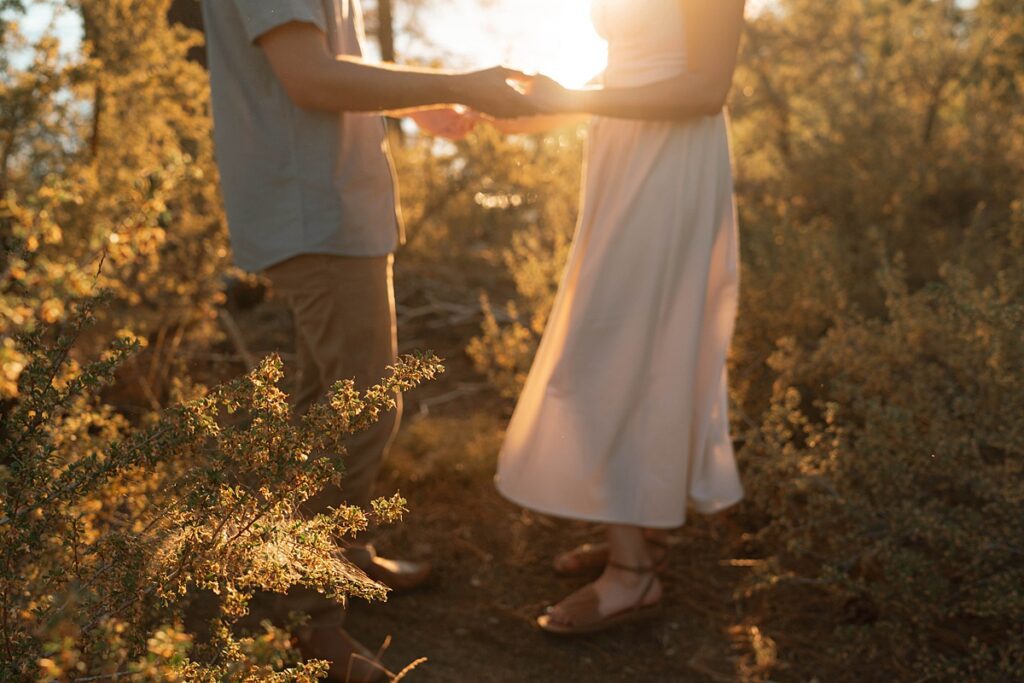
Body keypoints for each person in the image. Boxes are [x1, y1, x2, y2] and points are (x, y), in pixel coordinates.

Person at [200, 1, 534, 679]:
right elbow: (311, 80)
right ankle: (307, 622)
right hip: (313, 211)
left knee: (324, 405)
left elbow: (325, 69)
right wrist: (458, 83)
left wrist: (414, 109)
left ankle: (334, 555)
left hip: (330, 207)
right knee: (363, 410)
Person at [491, 0, 747, 635]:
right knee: (631, 341)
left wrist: (571, 99)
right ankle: (636, 532)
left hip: (670, 161)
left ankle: (633, 578)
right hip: (625, 153)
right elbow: (633, 71)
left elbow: (705, 88)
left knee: (608, 344)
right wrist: (547, 110)